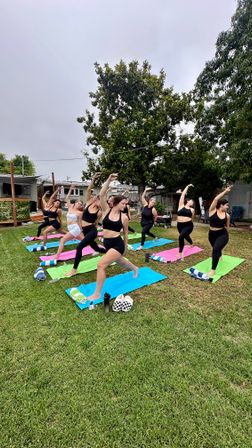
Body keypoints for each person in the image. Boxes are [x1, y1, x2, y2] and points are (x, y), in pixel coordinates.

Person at [83, 173, 139, 302]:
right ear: (116, 203)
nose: (125, 206)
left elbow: (125, 233)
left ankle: (97, 294)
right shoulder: (106, 210)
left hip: (117, 244)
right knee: (121, 262)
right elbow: (102, 194)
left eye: (126, 204)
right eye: (123, 204)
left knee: (101, 265)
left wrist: (125, 246)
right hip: (107, 243)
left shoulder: (124, 217)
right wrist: (108, 180)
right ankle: (135, 268)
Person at [65, 173, 107, 277]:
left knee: (79, 247)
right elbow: (88, 190)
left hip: (92, 231)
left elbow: (96, 223)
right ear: (96, 199)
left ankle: (74, 270)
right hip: (84, 230)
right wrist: (93, 179)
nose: (99, 202)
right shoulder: (89, 203)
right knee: (96, 249)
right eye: (98, 199)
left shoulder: (99, 212)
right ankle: (111, 252)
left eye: (101, 201)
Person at [52, 185, 84, 260]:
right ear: (75, 203)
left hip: (75, 228)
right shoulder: (70, 207)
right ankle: (96, 248)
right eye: (78, 203)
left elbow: (79, 222)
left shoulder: (79, 213)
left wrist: (81, 230)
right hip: (70, 228)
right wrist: (71, 189)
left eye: (81, 204)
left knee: (62, 240)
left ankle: (57, 256)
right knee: (83, 240)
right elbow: (67, 198)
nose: (79, 205)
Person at [207, 185, 232, 277]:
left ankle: (213, 270)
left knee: (216, 249)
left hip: (222, 234)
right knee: (216, 248)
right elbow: (216, 199)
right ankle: (220, 255)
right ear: (221, 205)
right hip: (211, 234)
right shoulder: (212, 211)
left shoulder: (227, 216)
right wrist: (225, 191)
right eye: (227, 205)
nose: (228, 207)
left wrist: (227, 236)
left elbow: (228, 227)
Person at [176, 184, 195, 260]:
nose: (192, 202)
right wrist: (187, 186)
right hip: (179, 225)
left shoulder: (192, 210)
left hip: (188, 225)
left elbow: (192, 218)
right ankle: (191, 243)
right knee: (185, 236)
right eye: (191, 201)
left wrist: (191, 224)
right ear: (187, 201)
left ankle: (180, 253)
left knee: (181, 237)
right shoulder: (181, 205)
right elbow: (183, 194)